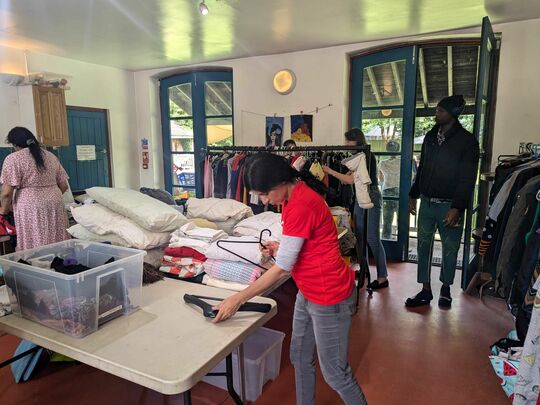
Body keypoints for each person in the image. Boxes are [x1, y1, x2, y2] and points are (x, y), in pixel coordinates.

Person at [212, 153, 367, 405]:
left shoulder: (301, 203)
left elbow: (283, 268)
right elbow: (300, 246)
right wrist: (278, 247)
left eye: (264, 194)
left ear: (281, 181)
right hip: (308, 290)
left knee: (336, 374)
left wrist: (238, 299)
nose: (264, 201)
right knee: (299, 356)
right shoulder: (294, 195)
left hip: (330, 296)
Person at [406, 95, 479, 308]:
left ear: (453, 114)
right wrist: (413, 194)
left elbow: (468, 178)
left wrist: (457, 207)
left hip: (450, 206)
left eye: (440, 111)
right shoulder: (430, 136)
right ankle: (425, 290)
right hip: (427, 204)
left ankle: (446, 289)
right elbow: (422, 168)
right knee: (423, 246)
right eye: (437, 110)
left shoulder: (467, 142)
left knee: (450, 248)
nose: (436, 114)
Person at [323, 128, 388, 290]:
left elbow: (350, 180)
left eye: (348, 141)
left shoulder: (366, 156)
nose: (346, 144)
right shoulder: (358, 156)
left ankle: (382, 277)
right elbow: (348, 180)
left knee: (372, 237)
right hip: (361, 197)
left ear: (356, 141)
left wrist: (330, 171)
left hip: (370, 196)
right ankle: (365, 270)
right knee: (359, 236)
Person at [0, 127, 70, 251]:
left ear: (14, 144)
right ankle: (61, 263)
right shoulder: (50, 156)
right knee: (57, 237)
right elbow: (64, 186)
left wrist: (3, 212)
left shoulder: (13, 159)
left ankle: (37, 265)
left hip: (30, 206)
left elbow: (6, 193)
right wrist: (50, 196)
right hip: (55, 202)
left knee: (35, 239)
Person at [378, 140, 401, 239]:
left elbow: (381, 178)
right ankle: (402, 242)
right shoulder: (403, 161)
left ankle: (386, 240)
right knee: (402, 220)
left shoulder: (382, 163)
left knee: (387, 220)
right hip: (400, 191)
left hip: (387, 190)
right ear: (398, 149)